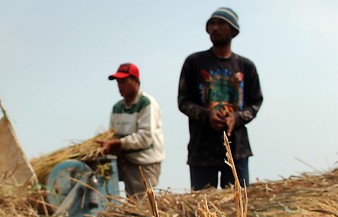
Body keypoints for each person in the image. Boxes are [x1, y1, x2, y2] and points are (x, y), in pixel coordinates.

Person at [178, 7, 263, 190]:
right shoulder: (194, 63)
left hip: (236, 149)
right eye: (212, 24)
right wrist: (206, 115)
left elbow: (255, 103)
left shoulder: (246, 67)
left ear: (233, 31)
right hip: (202, 149)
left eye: (221, 23)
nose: (215, 28)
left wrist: (237, 117)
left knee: (238, 207)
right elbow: (183, 101)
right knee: (203, 208)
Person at [100, 63, 165, 198]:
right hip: (126, 160)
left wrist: (117, 143)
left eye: (124, 81)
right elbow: (112, 134)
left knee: (142, 202)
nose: (119, 86)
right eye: (118, 82)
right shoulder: (117, 107)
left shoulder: (146, 103)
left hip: (145, 163)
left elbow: (145, 137)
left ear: (136, 81)